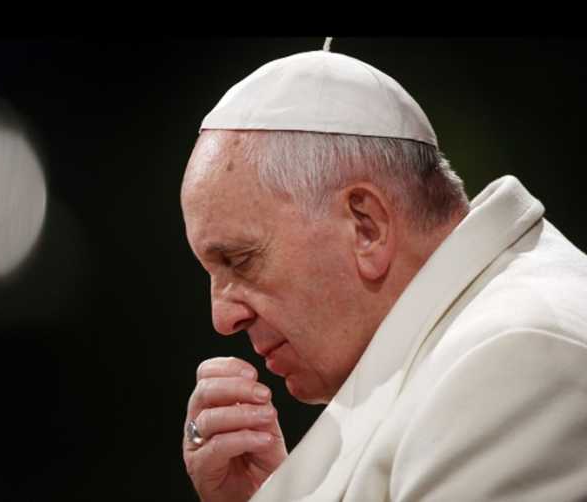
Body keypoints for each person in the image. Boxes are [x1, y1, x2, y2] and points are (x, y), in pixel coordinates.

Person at [180, 44, 587, 501]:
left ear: (366, 226)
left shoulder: (512, 358)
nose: (223, 318)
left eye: (240, 260)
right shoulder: (466, 346)